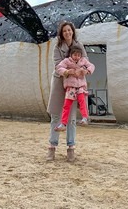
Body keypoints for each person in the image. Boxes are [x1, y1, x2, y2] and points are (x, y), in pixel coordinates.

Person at [46, 21, 88, 162]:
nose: (67, 33)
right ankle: (52, 147)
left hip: (75, 84)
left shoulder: (79, 45)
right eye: (64, 31)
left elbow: (86, 61)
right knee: (56, 116)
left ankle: (71, 148)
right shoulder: (57, 47)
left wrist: (83, 70)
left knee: (71, 118)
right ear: (61, 33)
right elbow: (57, 65)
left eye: (69, 30)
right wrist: (68, 71)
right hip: (60, 82)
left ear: (73, 31)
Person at [54, 44, 95, 131]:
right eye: (75, 55)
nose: (77, 57)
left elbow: (92, 66)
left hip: (80, 86)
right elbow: (58, 68)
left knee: (82, 102)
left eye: (78, 55)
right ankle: (63, 123)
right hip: (71, 87)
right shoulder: (67, 61)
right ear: (71, 55)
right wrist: (67, 72)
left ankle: (85, 118)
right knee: (66, 105)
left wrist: (86, 71)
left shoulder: (83, 61)